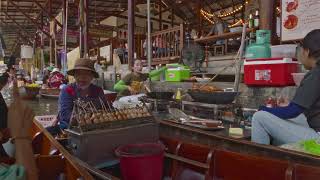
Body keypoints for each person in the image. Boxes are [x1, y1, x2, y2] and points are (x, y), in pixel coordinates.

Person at [251, 29, 320, 145]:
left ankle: (259, 161)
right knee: (294, 118)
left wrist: (264, 109)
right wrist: (288, 106)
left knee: (259, 117)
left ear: (307, 52)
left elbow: (291, 112)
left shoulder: (316, 74)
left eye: (300, 51)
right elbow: (297, 109)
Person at [57, 58, 106, 129]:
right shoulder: (68, 90)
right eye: (78, 74)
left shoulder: (98, 90)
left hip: (95, 128)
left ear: (92, 76)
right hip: (71, 129)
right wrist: (87, 119)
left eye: (87, 74)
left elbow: (107, 108)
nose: (82, 77)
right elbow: (65, 115)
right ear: (74, 76)